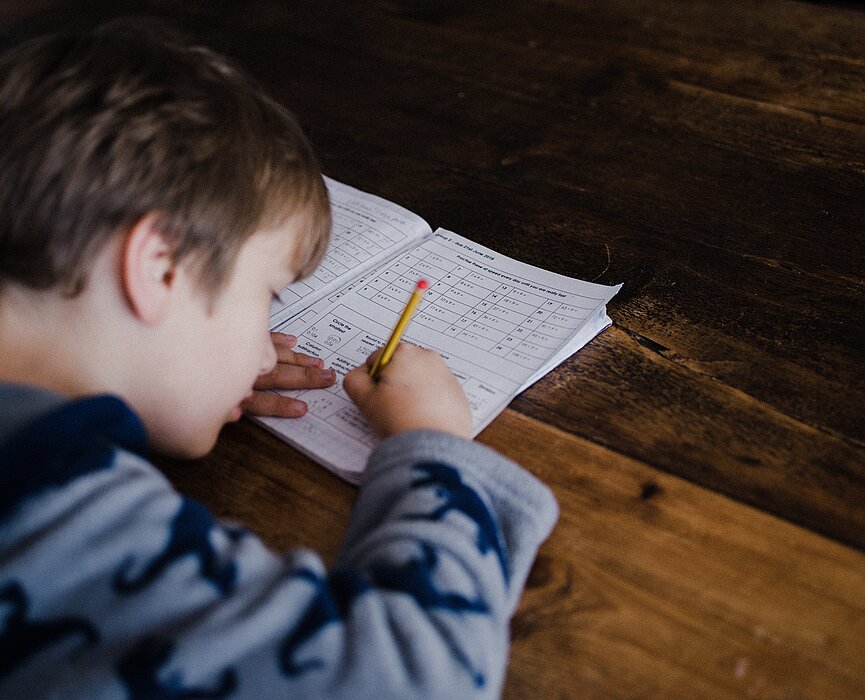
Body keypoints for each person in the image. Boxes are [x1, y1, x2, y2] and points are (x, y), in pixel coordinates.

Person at [0, 19, 558, 699]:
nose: (268, 345)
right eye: (266, 295)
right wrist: (432, 446)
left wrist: (155, 383)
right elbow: (420, 680)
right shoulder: (51, 509)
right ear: (161, 267)